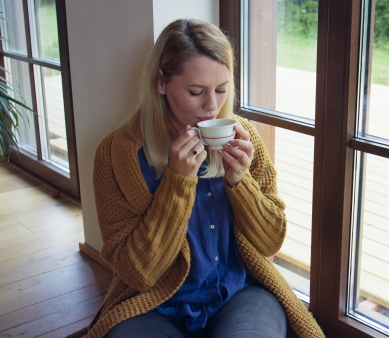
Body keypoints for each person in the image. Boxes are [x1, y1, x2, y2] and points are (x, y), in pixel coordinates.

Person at [68, 19, 324, 338]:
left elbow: (271, 240)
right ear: (161, 82)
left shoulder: (246, 140)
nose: (212, 106)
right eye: (195, 91)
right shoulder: (115, 155)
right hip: (154, 305)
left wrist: (239, 181)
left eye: (221, 89)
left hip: (240, 294)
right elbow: (138, 273)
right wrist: (178, 182)